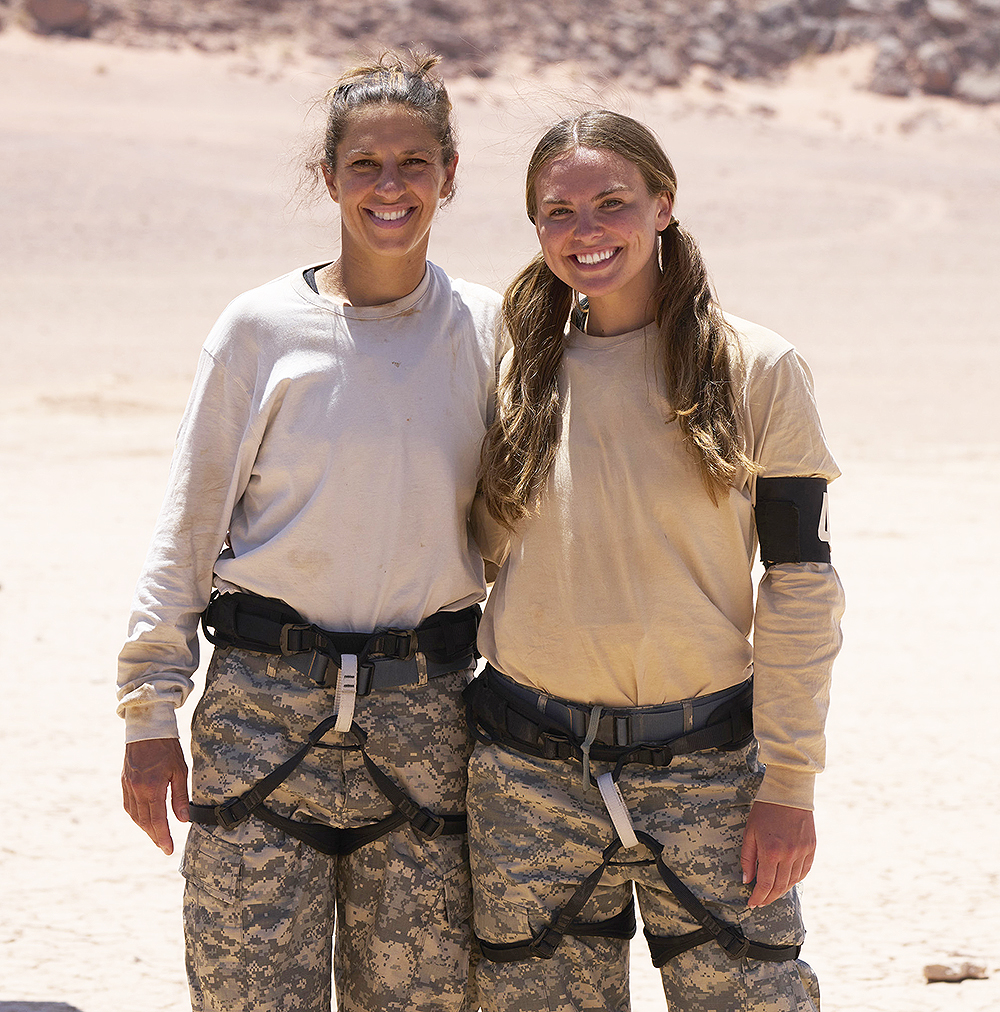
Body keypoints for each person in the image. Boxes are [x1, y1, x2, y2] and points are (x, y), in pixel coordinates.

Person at [117, 52, 504, 1012]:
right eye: (365, 165)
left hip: (427, 725)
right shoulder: (261, 330)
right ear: (327, 177)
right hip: (261, 716)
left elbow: (530, 530)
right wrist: (148, 717)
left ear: (449, 175)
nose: (390, 187)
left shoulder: (490, 331)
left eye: (414, 163)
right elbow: (188, 526)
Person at [465, 110, 845, 1012]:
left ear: (662, 204)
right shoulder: (508, 368)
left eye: (612, 203)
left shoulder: (757, 368)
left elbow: (800, 588)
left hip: (708, 771)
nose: (585, 232)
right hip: (527, 775)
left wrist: (789, 784)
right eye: (558, 212)